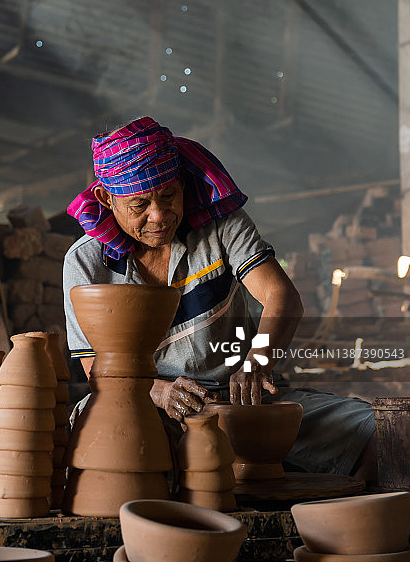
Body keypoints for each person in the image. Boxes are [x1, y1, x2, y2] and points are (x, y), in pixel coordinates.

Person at [63, 116, 376, 481]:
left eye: (168, 195)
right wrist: (162, 393)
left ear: (181, 181)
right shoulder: (86, 262)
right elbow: (95, 368)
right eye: (139, 205)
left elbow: (282, 297)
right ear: (106, 198)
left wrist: (257, 363)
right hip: (142, 400)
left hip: (238, 397)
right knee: (105, 443)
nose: (159, 215)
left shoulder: (221, 225)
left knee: (378, 431)